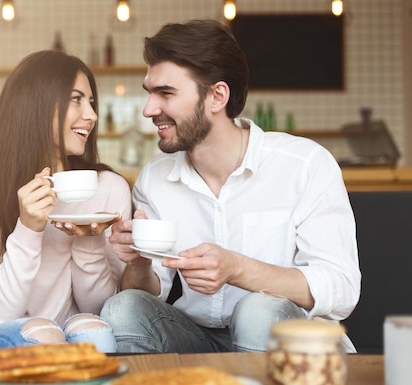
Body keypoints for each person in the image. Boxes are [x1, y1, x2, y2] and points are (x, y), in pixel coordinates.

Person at [100, 19, 361, 353]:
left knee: (257, 309)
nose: (149, 109)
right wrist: (138, 263)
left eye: (165, 93)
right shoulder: (154, 179)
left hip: (292, 343)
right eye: (149, 93)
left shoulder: (304, 165)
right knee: (123, 308)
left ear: (217, 96)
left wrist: (239, 269)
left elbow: (342, 289)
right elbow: (153, 291)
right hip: (197, 337)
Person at [0, 50, 131, 353]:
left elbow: (101, 307)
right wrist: (28, 230)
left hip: (59, 336)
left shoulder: (107, 188)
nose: (91, 115)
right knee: (41, 337)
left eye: (91, 102)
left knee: (96, 332)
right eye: (76, 99)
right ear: (35, 106)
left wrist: (88, 241)